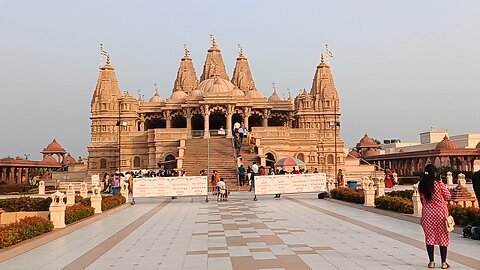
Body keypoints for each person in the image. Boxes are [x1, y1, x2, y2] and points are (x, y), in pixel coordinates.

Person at [418, 164, 452, 269]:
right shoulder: (438, 184)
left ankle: (431, 262)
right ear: (435, 173)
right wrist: (441, 182)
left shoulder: (421, 185)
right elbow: (448, 196)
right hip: (441, 213)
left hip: (427, 213)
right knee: (443, 237)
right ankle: (444, 263)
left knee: (429, 237)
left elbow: (422, 200)